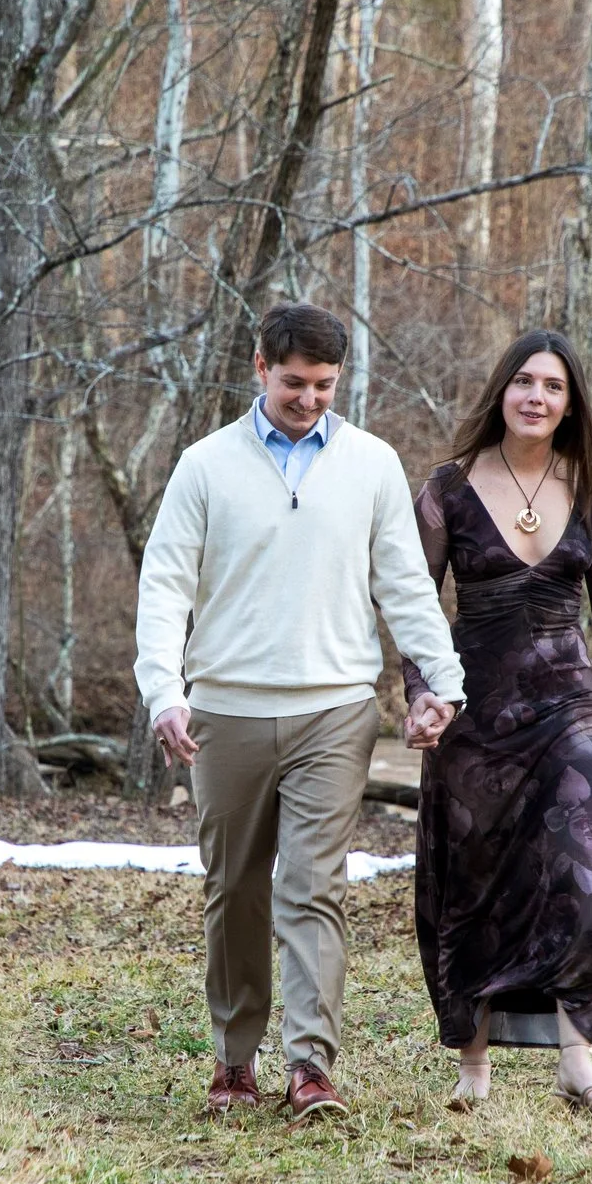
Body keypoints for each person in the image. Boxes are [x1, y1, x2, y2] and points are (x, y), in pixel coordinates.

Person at [133, 303, 466, 1123]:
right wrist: (164, 694)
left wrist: (442, 682)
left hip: (335, 710)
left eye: (323, 385)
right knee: (235, 889)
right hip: (226, 712)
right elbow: (165, 584)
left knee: (314, 888)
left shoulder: (372, 464)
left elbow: (404, 585)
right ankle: (234, 1061)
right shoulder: (205, 466)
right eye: (293, 383)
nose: (308, 399)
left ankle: (311, 1068)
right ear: (259, 367)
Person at [402, 329, 592, 1115]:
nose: (537, 397)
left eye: (552, 386)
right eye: (523, 381)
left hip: (566, 710)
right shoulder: (446, 488)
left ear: (570, 402)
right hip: (470, 713)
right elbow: (415, 603)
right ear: (501, 391)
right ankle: (473, 1067)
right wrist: (419, 691)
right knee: (473, 885)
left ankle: (577, 1059)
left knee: (582, 882)